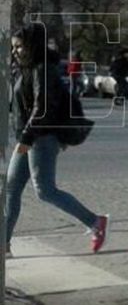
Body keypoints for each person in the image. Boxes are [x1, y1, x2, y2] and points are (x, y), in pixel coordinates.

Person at [6, 23, 108, 255]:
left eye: (19, 47)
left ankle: (96, 222)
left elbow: (43, 108)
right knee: (11, 188)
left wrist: (26, 138)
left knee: (45, 190)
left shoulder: (42, 69)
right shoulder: (24, 68)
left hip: (41, 137)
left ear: (31, 46)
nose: (15, 51)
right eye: (14, 47)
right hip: (29, 135)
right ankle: (4, 244)